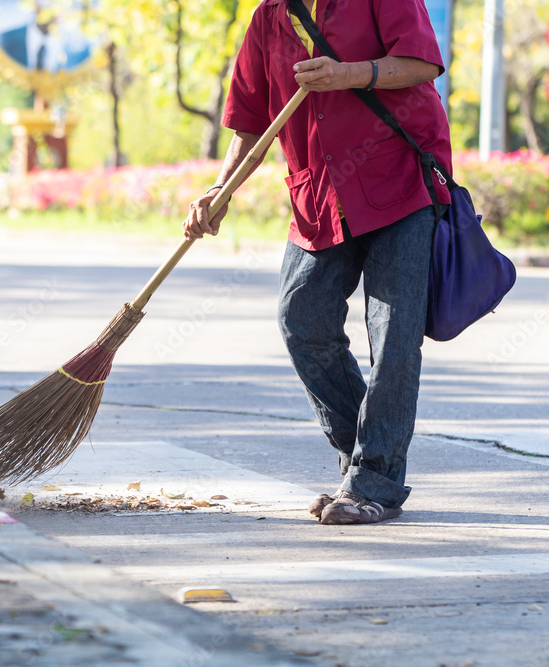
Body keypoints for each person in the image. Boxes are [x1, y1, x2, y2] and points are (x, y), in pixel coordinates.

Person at [184, 0, 452, 525]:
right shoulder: (267, 20)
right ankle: (370, 462)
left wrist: (346, 74)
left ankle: (374, 479)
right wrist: (222, 189)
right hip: (320, 195)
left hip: (400, 183)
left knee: (394, 335)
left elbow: (422, 64)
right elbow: (250, 127)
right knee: (301, 320)